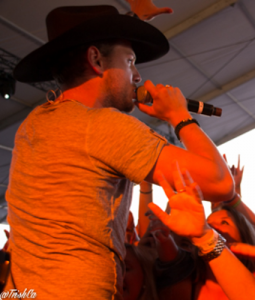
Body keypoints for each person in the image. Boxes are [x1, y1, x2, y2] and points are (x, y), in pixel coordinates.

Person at [5, 2, 234, 300]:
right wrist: (180, 116)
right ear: (96, 60)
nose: (137, 76)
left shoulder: (34, 124)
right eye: (129, 62)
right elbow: (221, 183)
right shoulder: (100, 125)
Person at [149, 165, 255, 300]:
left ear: (244, 234)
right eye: (208, 224)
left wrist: (231, 194)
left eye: (224, 222)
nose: (212, 228)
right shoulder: (188, 284)